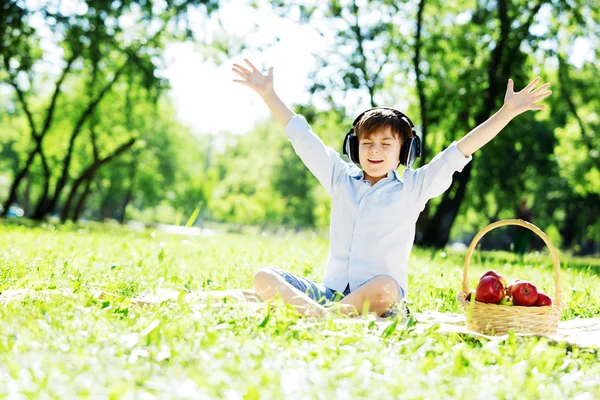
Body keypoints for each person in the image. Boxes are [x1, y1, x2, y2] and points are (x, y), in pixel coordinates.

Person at [232, 59, 552, 318]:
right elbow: (303, 138)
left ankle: (321, 317)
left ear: (405, 152)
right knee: (264, 276)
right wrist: (268, 95)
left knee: (386, 286)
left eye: (386, 143)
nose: (375, 150)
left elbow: (461, 149)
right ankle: (325, 315)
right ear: (353, 147)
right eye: (367, 142)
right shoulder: (340, 178)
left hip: (381, 300)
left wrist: (507, 112)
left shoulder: (413, 187)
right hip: (330, 294)